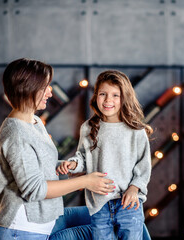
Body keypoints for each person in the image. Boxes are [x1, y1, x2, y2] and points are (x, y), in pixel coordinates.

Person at [0, 58, 116, 240]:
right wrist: (85, 182)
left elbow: (36, 166)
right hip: (23, 231)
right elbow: (35, 190)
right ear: (28, 88)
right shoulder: (16, 133)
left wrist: (66, 166)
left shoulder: (34, 121)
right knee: (114, 226)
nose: (50, 92)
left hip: (46, 220)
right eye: (45, 86)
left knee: (123, 218)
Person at [56, 70, 153, 239]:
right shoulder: (88, 127)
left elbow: (143, 165)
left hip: (128, 203)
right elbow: (83, 157)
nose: (108, 100)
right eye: (103, 94)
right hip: (99, 205)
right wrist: (73, 164)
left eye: (116, 95)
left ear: (125, 98)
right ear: (95, 97)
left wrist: (134, 188)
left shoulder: (136, 131)